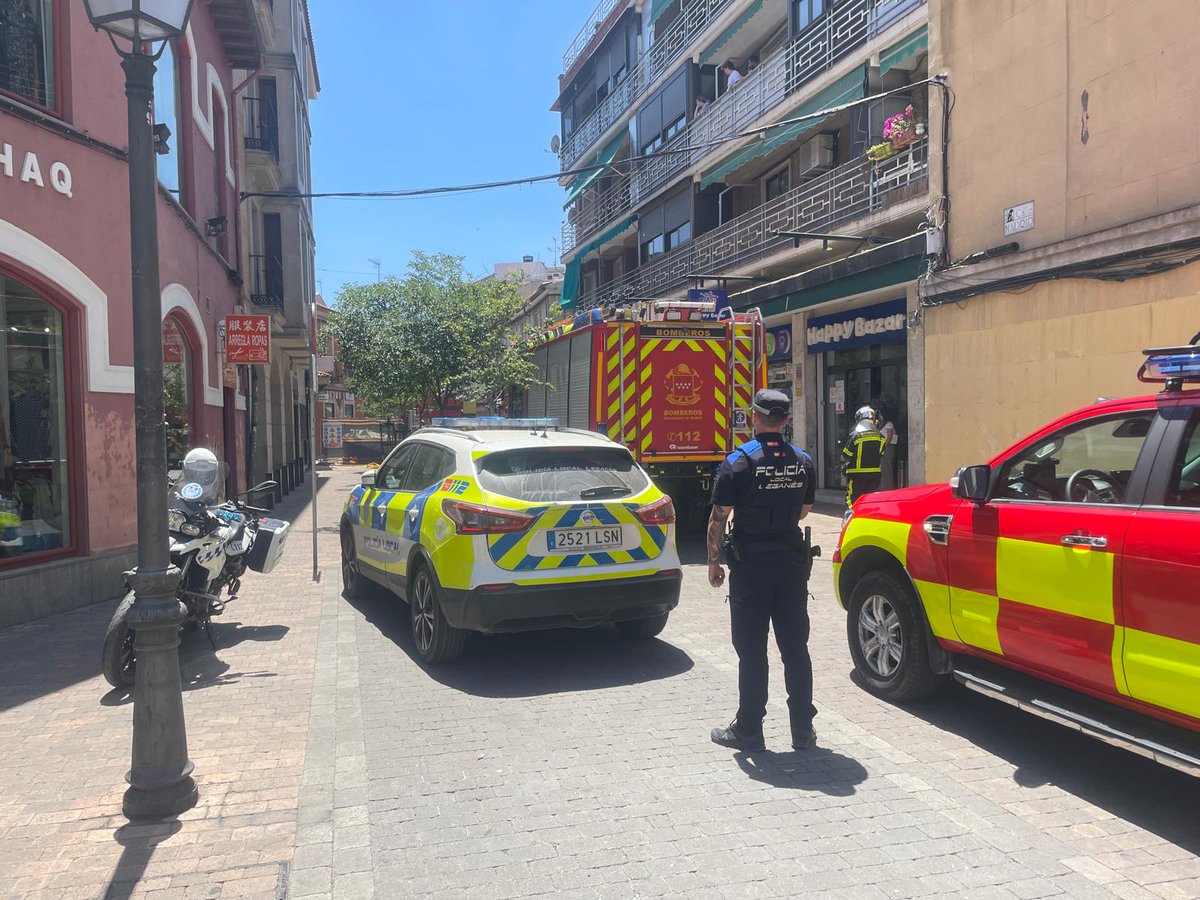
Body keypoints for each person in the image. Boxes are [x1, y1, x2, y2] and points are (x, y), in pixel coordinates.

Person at [708, 389, 818, 753]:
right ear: (785, 421)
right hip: (789, 566)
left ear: (754, 418)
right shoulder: (803, 461)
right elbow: (803, 512)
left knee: (752, 652)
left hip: (751, 568)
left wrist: (713, 562)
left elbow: (719, 517)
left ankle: (749, 730)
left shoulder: (738, 462)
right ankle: (803, 730)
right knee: (795, 649)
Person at [842, 406, 886, 507]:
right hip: (875, 474)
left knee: (852, 499)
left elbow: (846, 454)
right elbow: (881, 453)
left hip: (856, 474)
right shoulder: (881, 437)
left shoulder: (855, 436)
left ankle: (853, 517)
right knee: (870, 499)